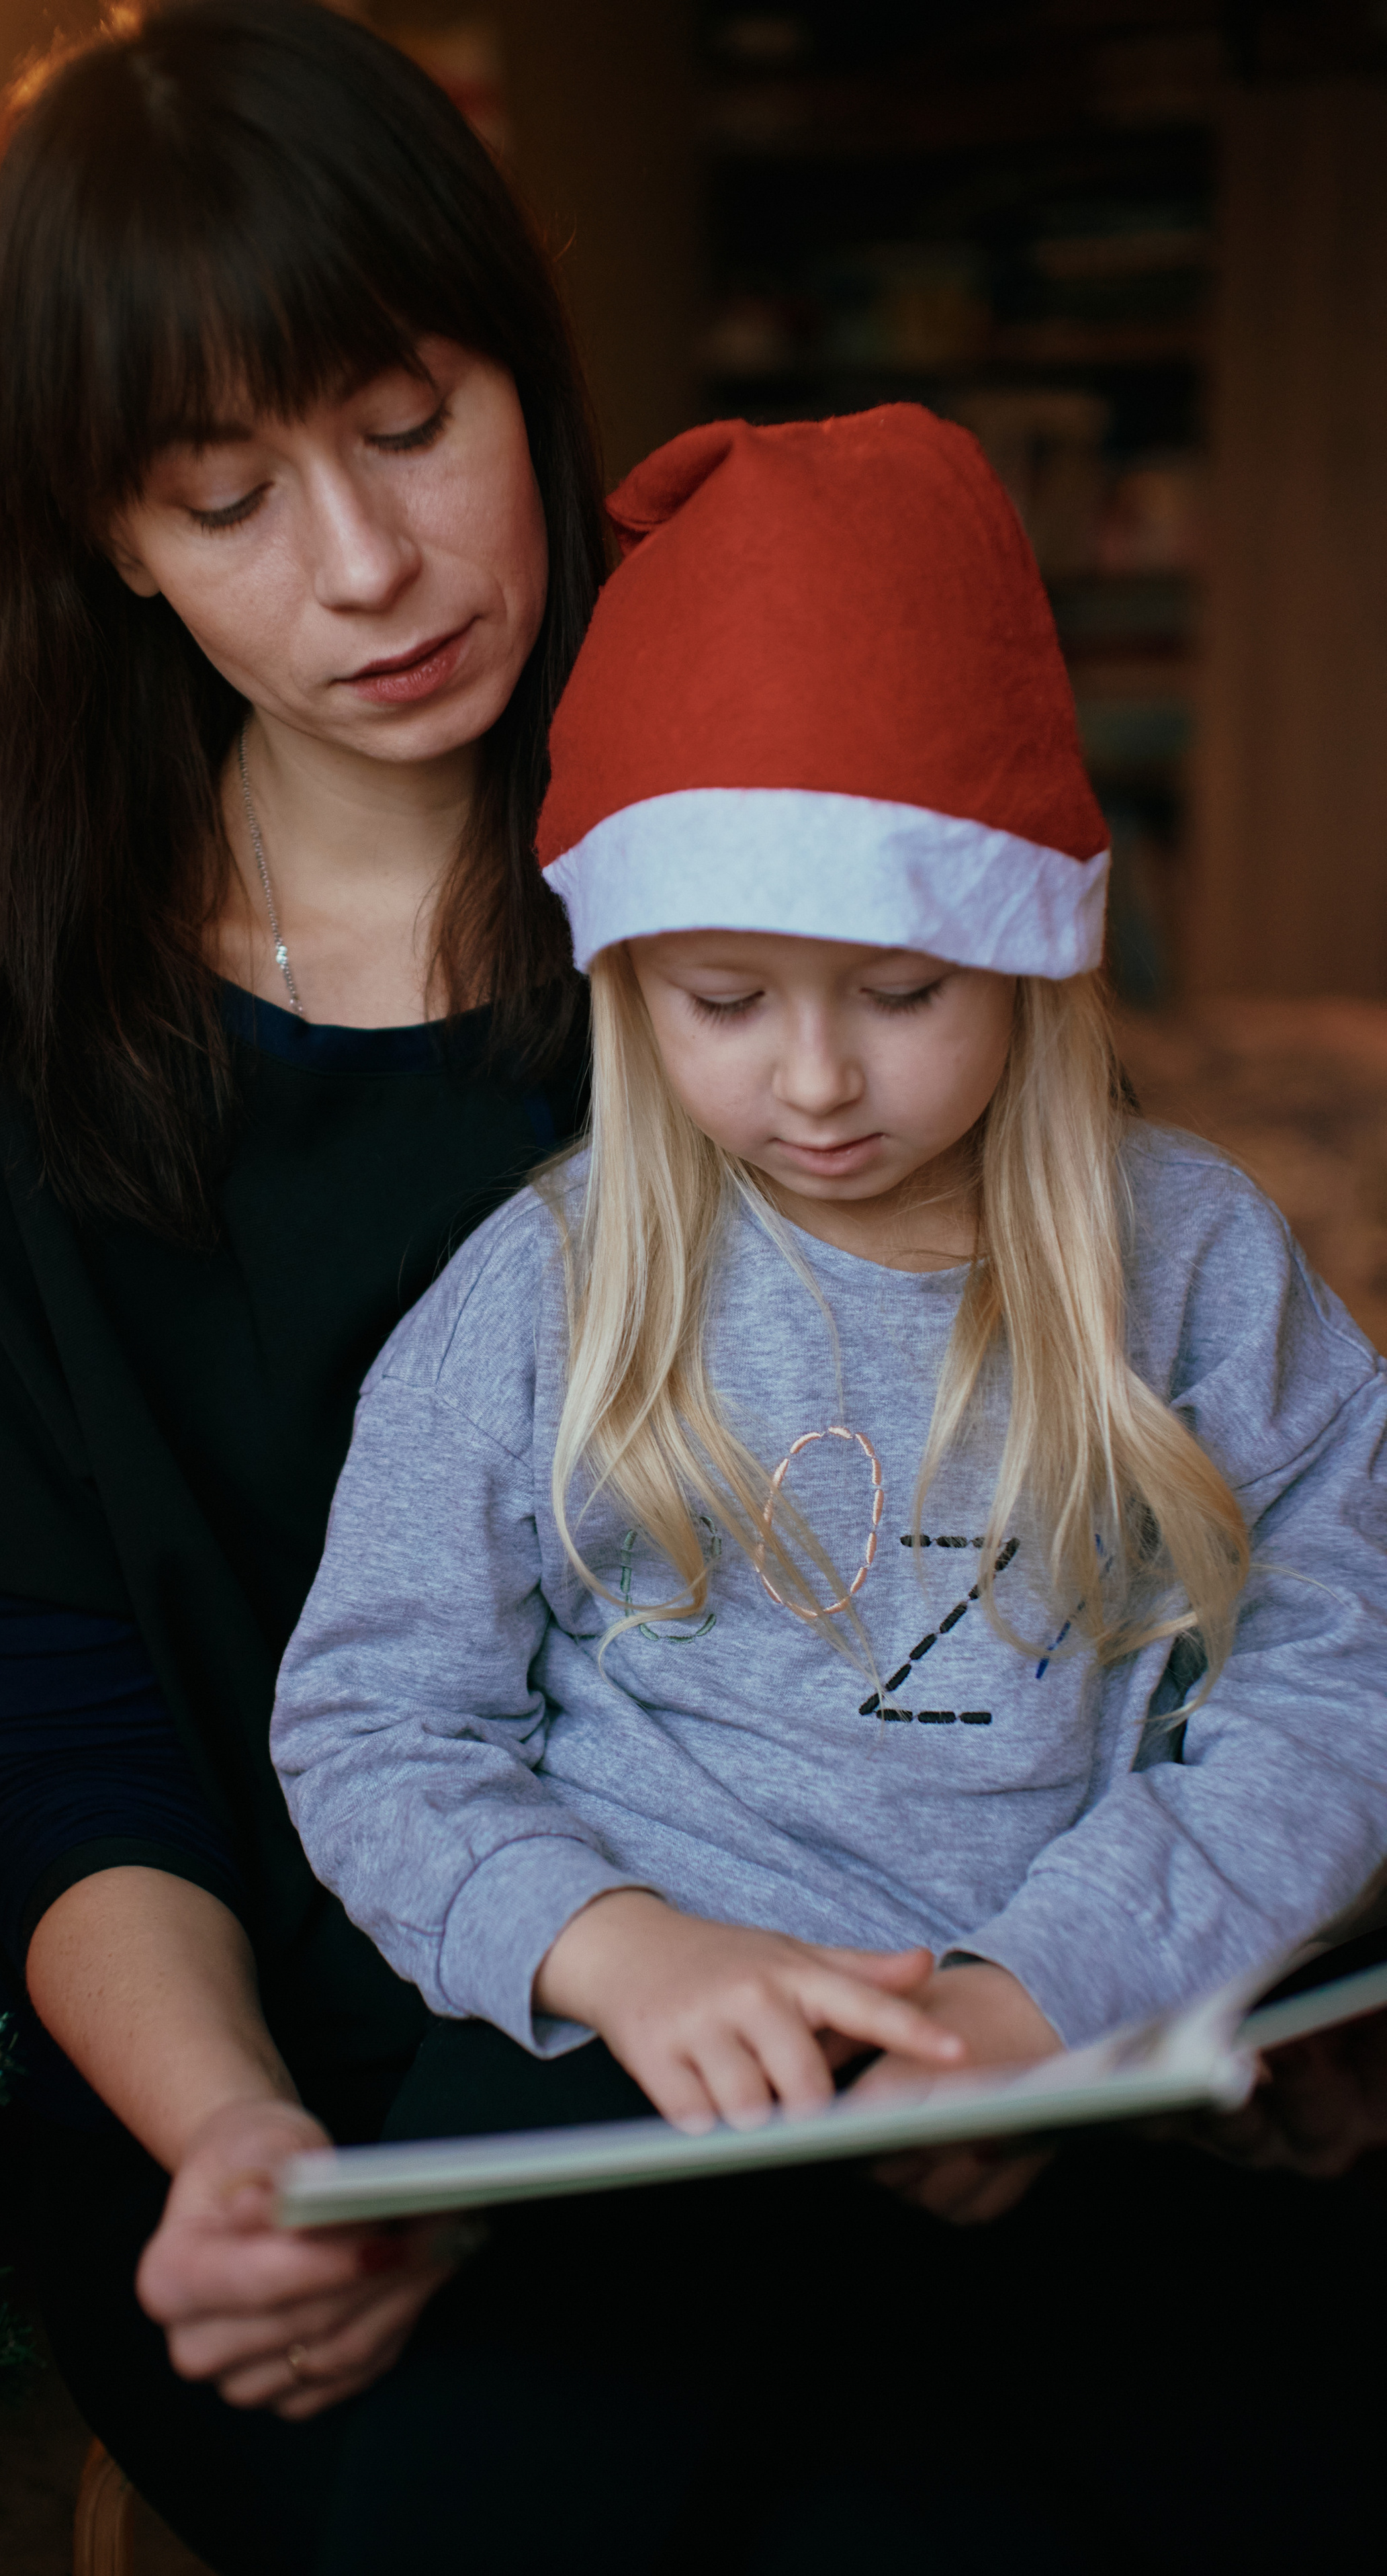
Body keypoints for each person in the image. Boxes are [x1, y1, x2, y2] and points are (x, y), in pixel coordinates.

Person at [272, 409, 1387, 2569]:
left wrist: (1047, 1997)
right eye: (721, 1000)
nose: (811, 1083)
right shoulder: (550, 1281)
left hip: (1076, 2041)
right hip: (629, 2078)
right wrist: (622, 1951)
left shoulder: (1194, 1257)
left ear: (1036, 955)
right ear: (624, 984)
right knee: (475, 2502)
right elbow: (373, 1713)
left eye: (901, 992)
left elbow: (1351, 1657)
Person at [0, 3, 606, 2562]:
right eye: (230, 494)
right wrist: (248, 2135)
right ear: (112, 543)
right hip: (276, 2074)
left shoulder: (766, 924)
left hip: (814, 2010)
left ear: (522, 363)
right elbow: (65, 1753)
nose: (370, 568)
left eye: (409, 422)